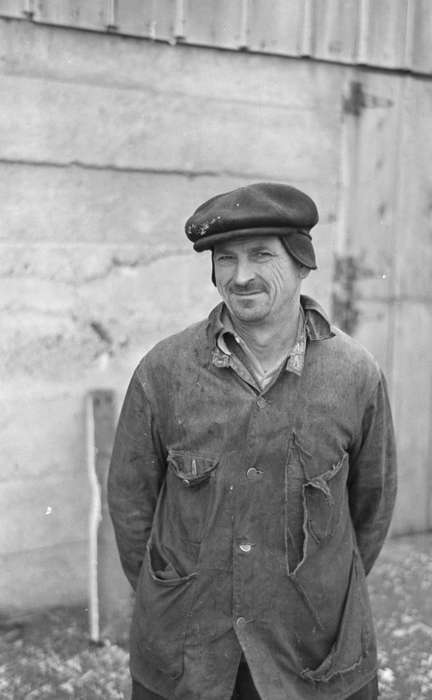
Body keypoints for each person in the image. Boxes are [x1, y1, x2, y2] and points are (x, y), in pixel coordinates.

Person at [108, 182, 397, 700]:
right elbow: (131, 506)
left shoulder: (355, 375)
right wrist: (172, 595)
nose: (240, 276)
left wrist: (318, 588)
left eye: (262, 255)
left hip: (312, 654)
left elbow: (371, 509)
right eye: (225, 259)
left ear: (303, 263)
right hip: (189, 653)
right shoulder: (164, 371)